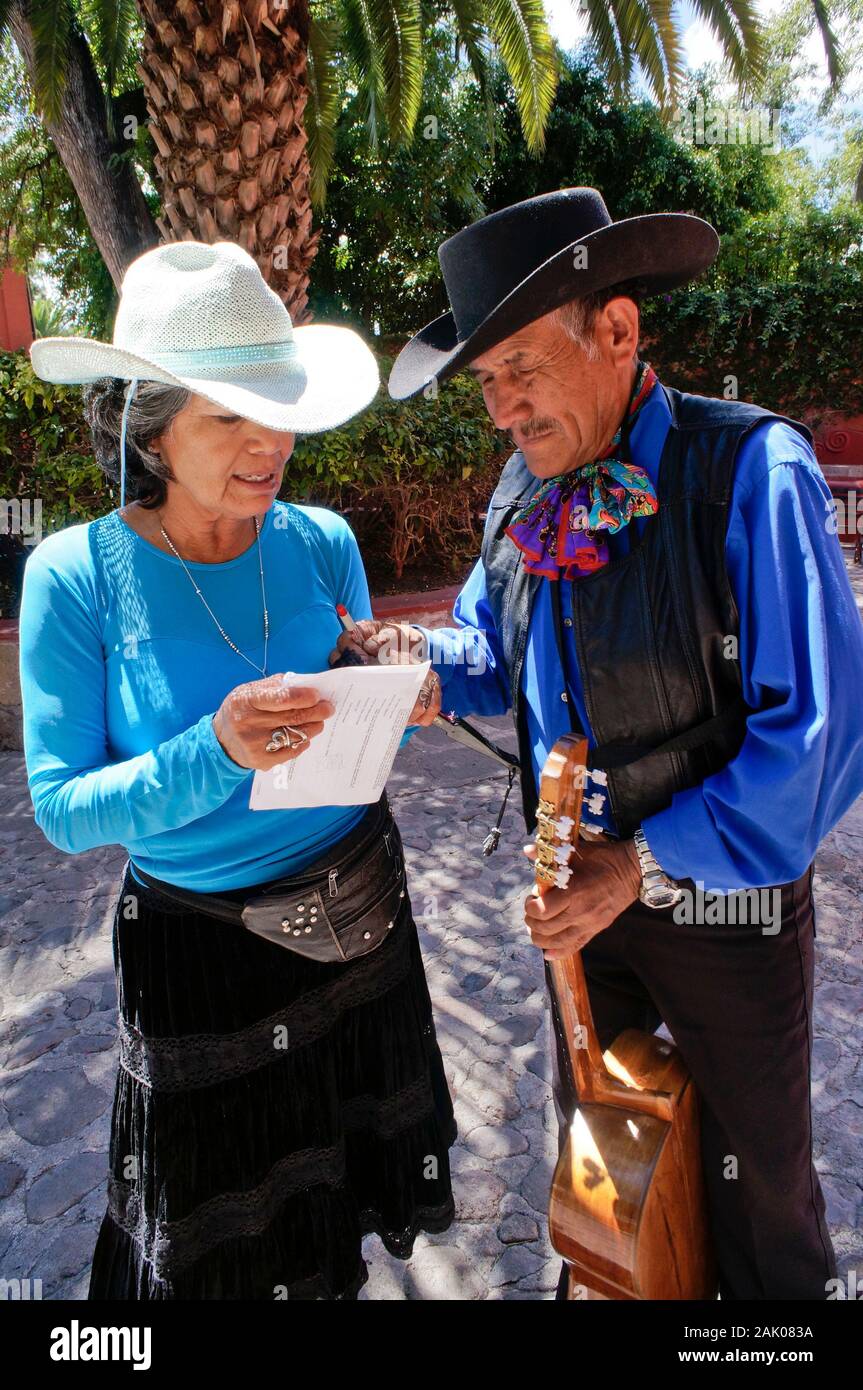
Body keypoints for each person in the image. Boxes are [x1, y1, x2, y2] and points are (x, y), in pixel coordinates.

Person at [333, 187, 863, 1299]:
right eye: (484, 383)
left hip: (724, 903)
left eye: (519, 366)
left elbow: (809, 742)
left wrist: (642, 861)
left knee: (760, 1191)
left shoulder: (749, 473)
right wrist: (416, 666)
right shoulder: (521, 491)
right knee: (609, 1189)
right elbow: (489, 642)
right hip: (580, 901)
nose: (500, 411)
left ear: (616, 332)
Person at [20, 239, 455, 1300]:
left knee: (334, 1212)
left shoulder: (317, 542)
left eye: (279, 411)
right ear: (153, 429)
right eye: (228, 417)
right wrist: (208, 749)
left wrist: (397, 689)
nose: (270, 445)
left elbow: (352, 730)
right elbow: (63, 809)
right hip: (203, 966)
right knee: (222, 1246)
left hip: (362, 925)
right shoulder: (74, 577)